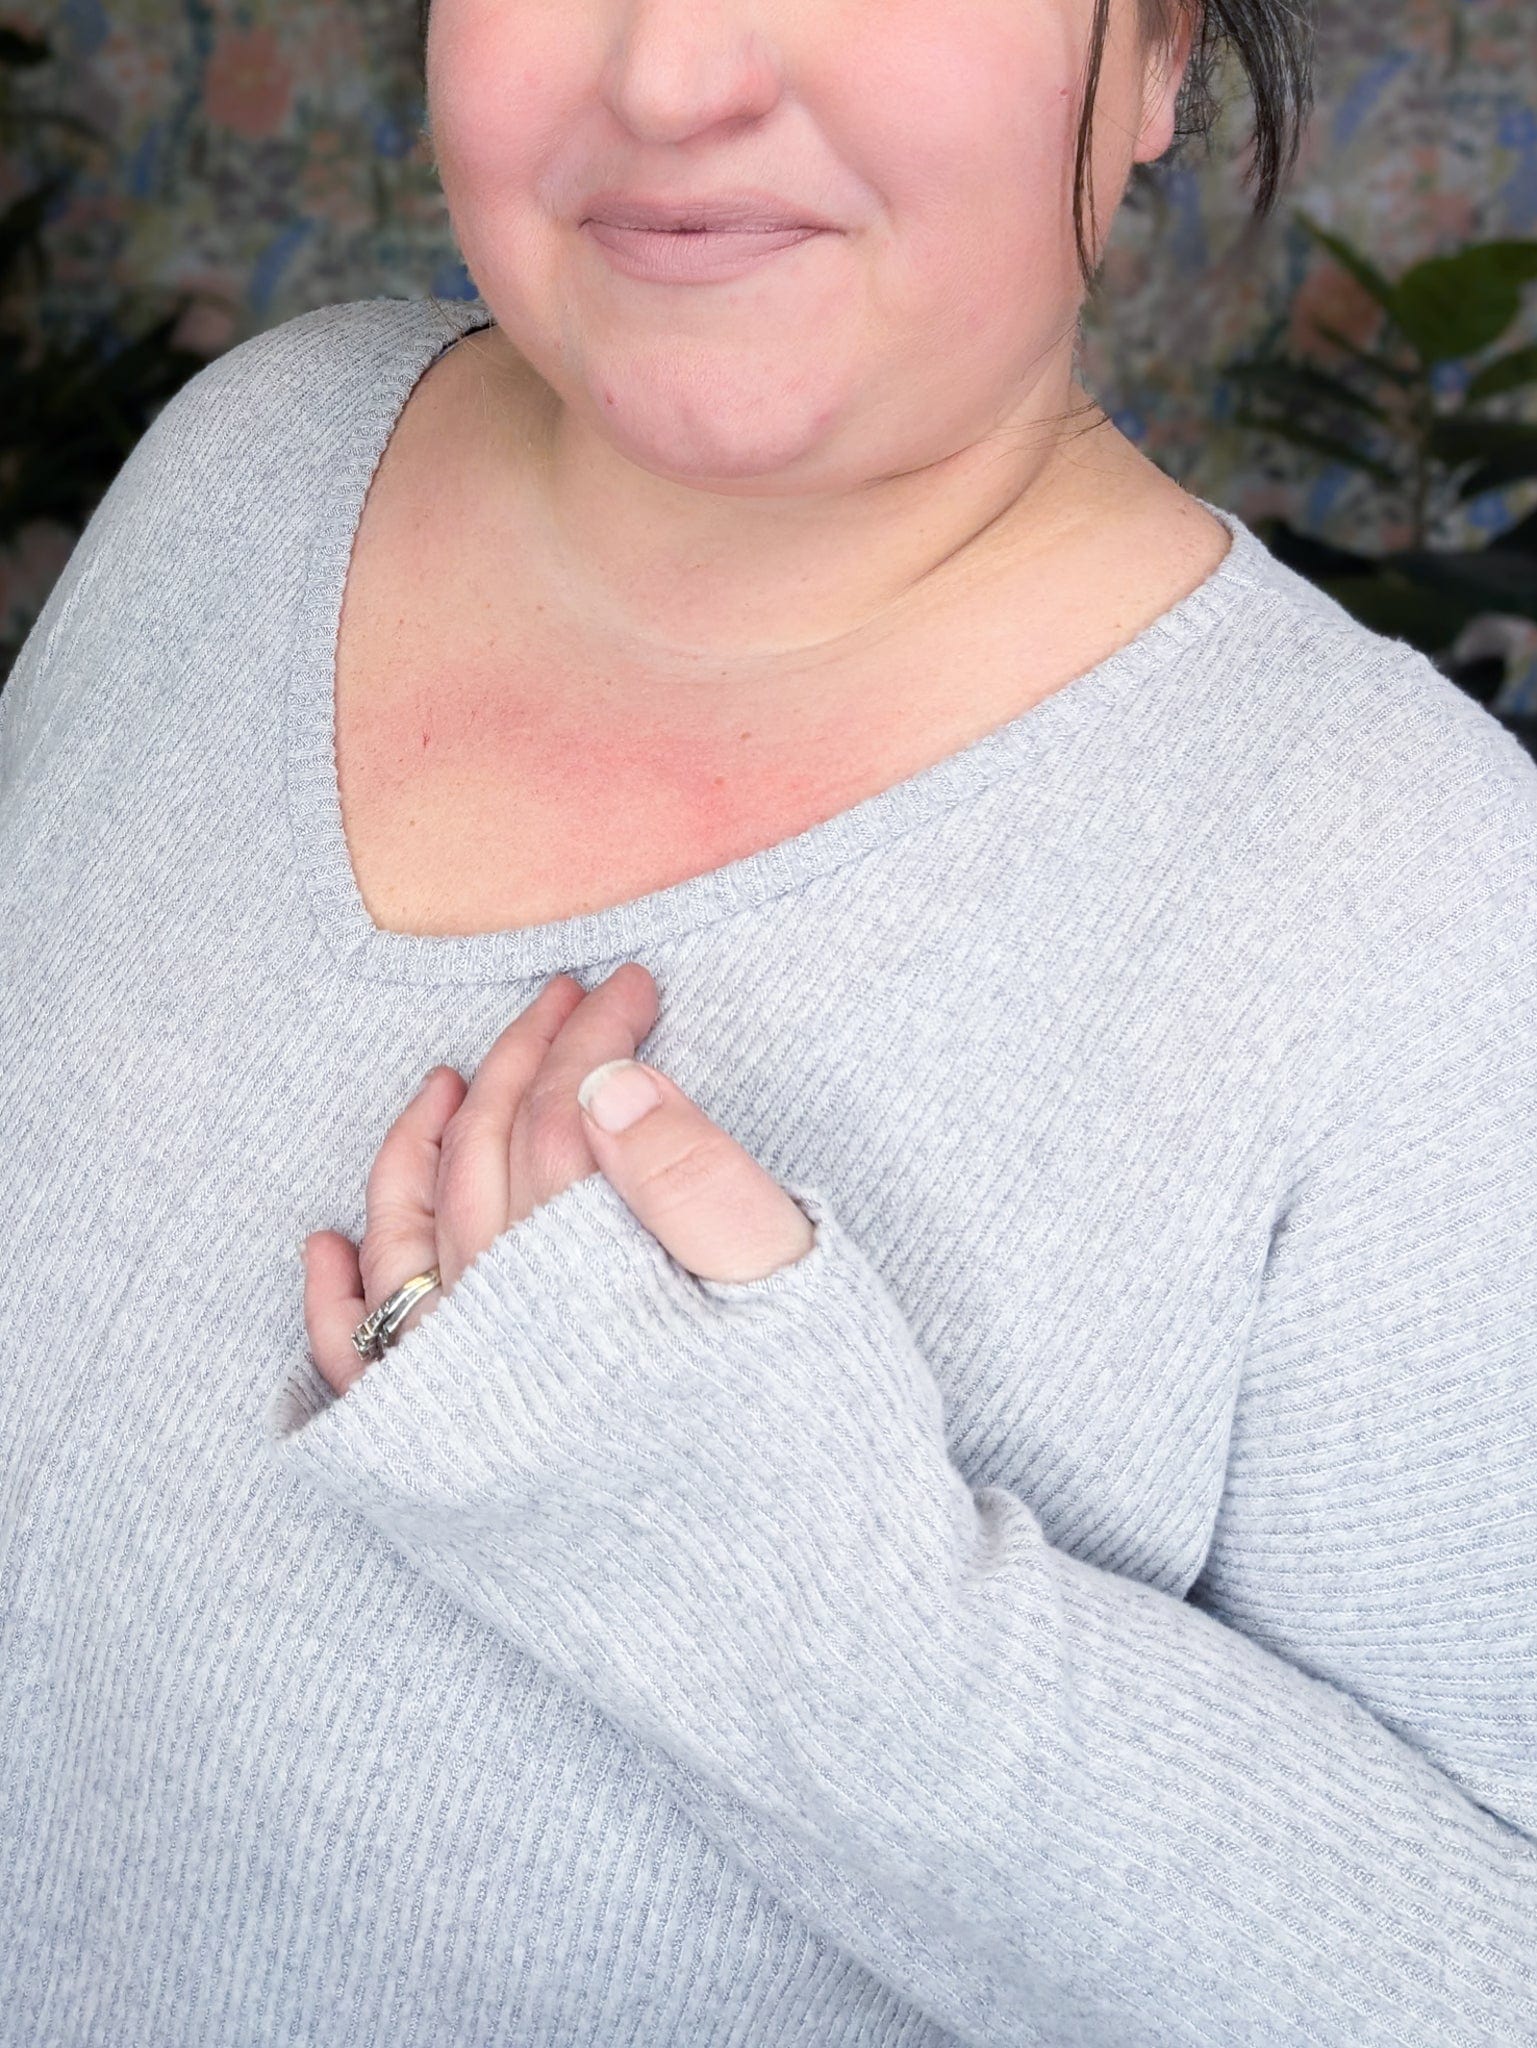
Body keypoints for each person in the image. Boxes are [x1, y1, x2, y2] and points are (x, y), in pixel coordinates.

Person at [1, 0, 1533, 2042]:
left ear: (1159, 51)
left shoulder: (1414, 902)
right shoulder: (251, 456)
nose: (671, 79)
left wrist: (769, 1575)